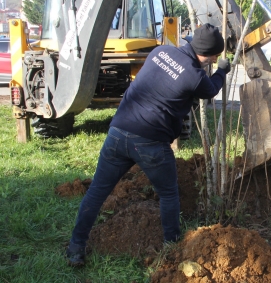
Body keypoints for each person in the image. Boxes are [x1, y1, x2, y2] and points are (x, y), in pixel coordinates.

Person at [65, 23, 231, 266]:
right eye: (215, 56)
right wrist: (222, 71)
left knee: (98, 192)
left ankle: (76, 246)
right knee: (168, 194)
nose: (215, 59)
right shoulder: (195, 76)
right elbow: (211, 89)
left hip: (118, 133)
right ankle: (171, 248)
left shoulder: (160, 52)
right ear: (210, 54)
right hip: (150, 144)